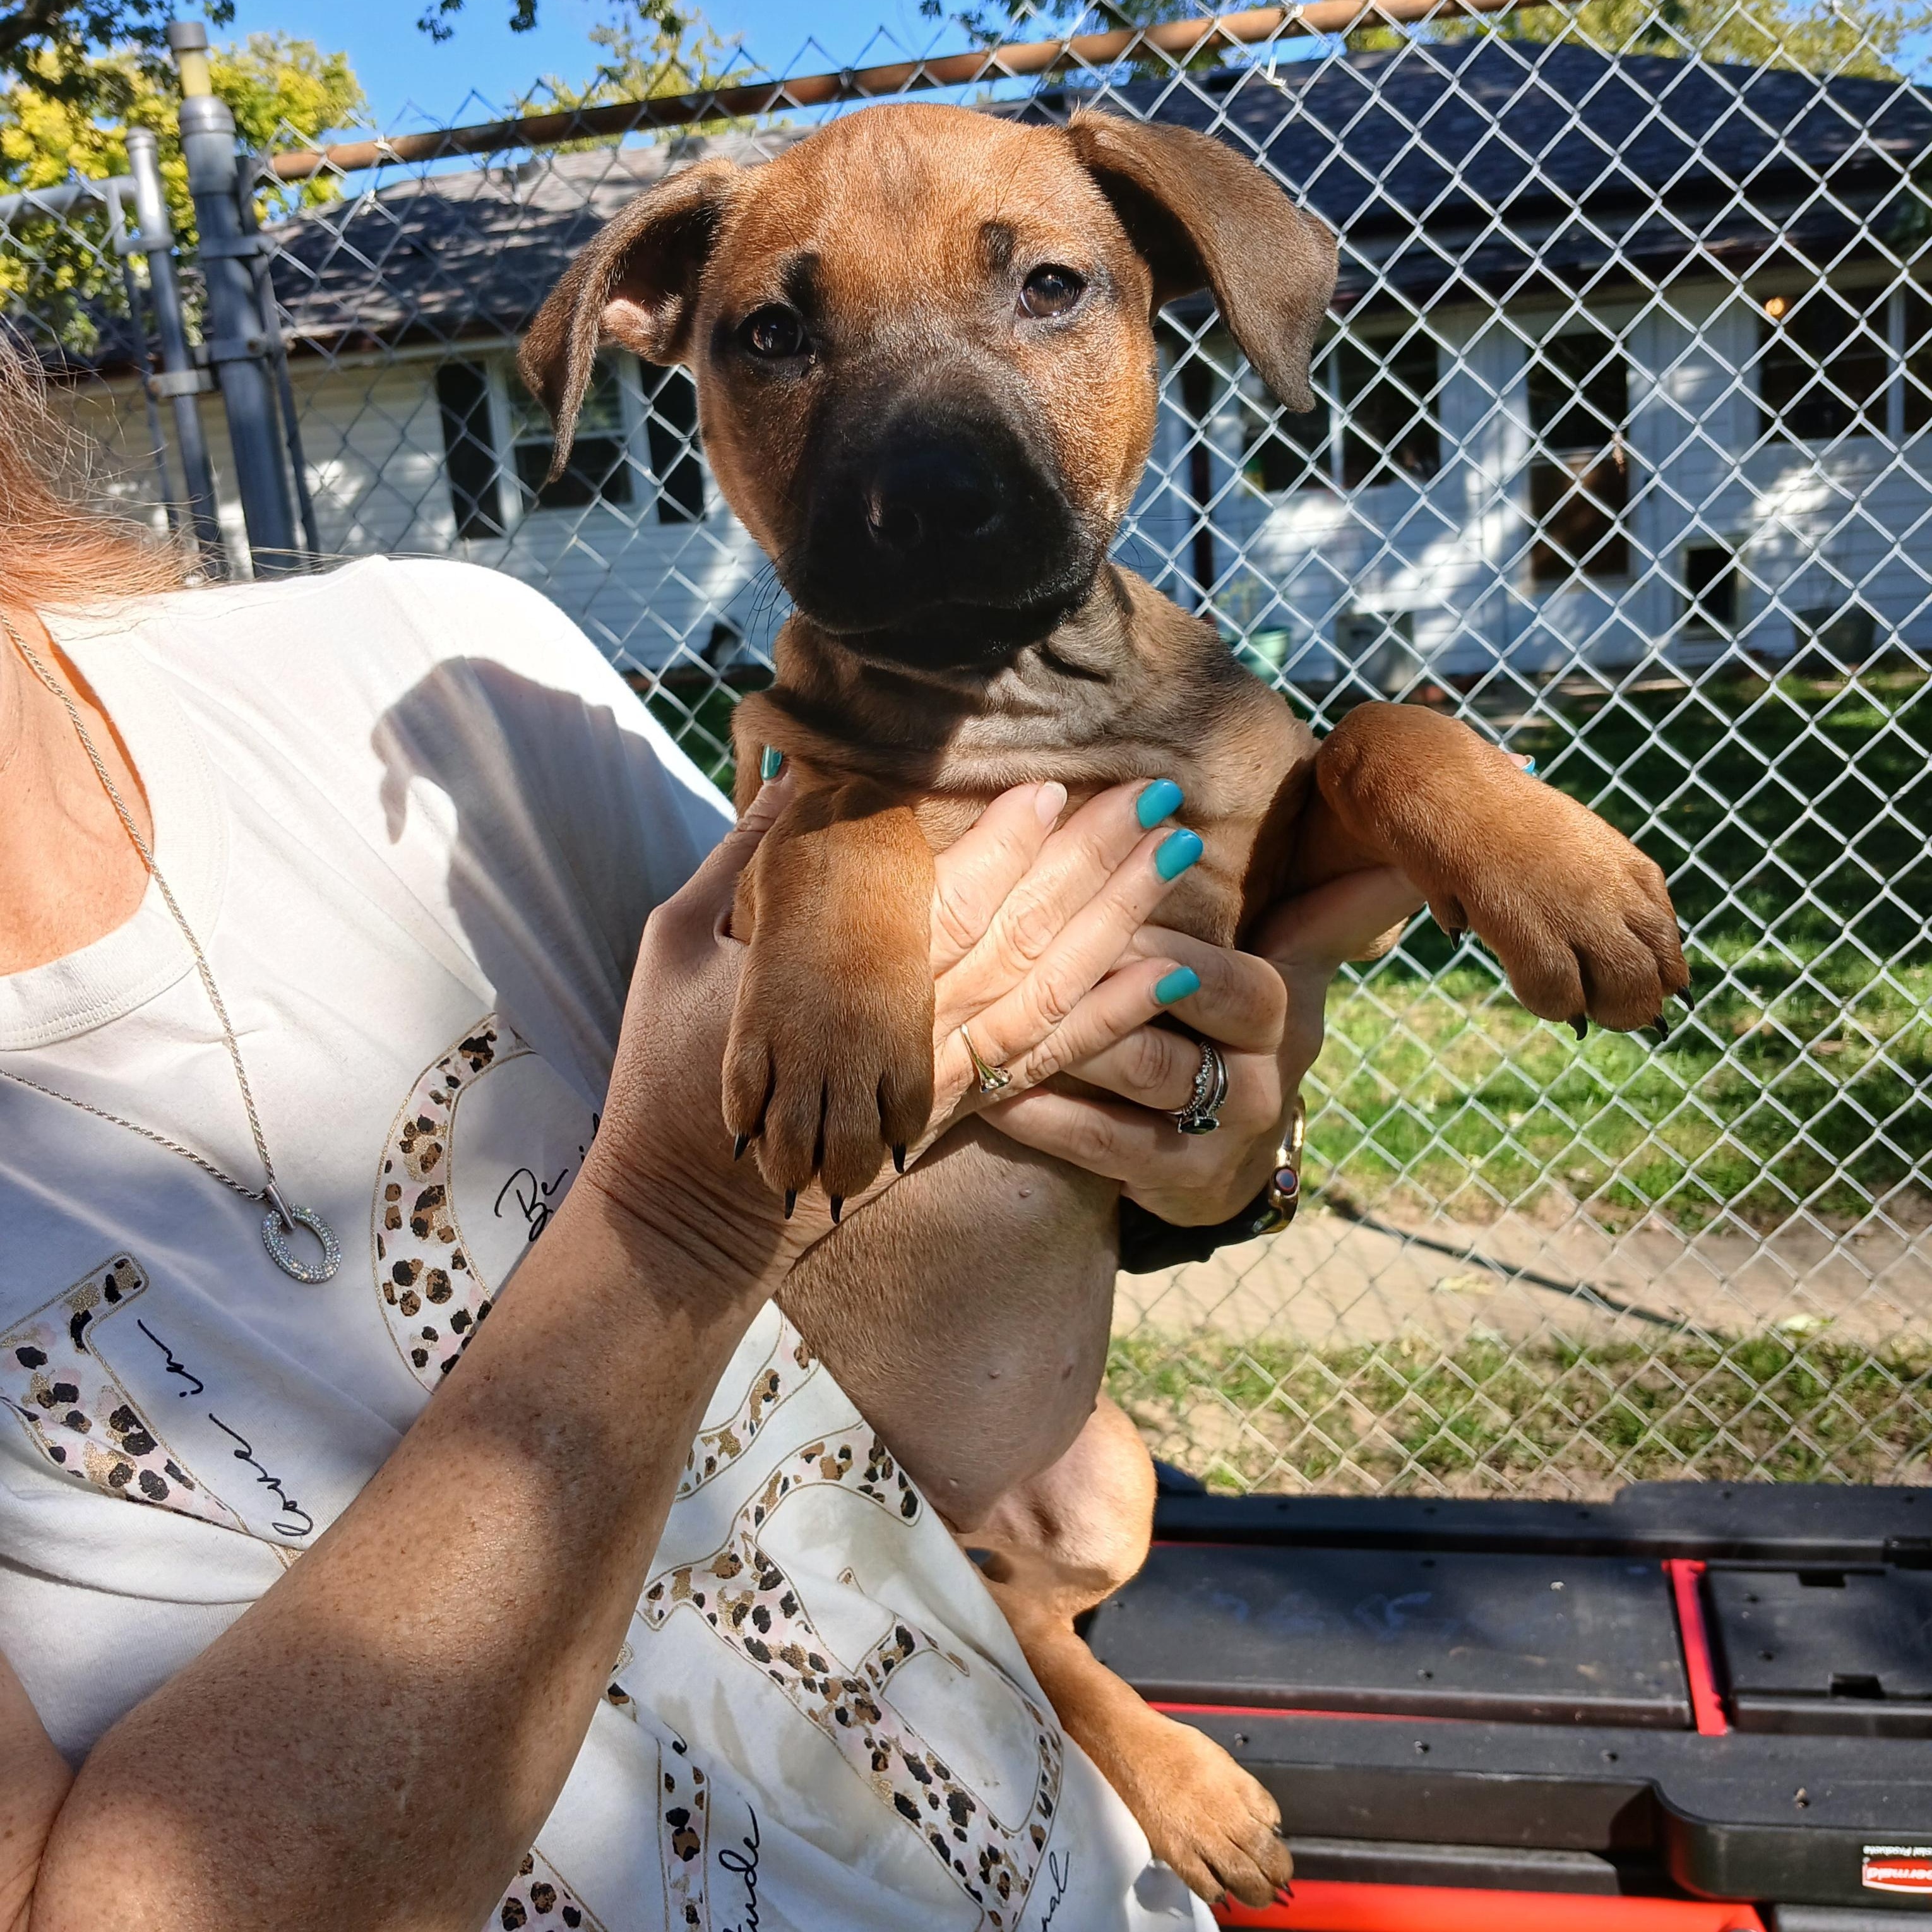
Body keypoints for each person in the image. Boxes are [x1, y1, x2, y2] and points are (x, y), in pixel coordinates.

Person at [0, 342, 1421, 1932]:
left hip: (1074, 1884)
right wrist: (674, 1220)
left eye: (1045, 300)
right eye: (780, 348)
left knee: (1089, 1495)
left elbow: (961, 1296)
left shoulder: (428, 678)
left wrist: (1211, 1149)